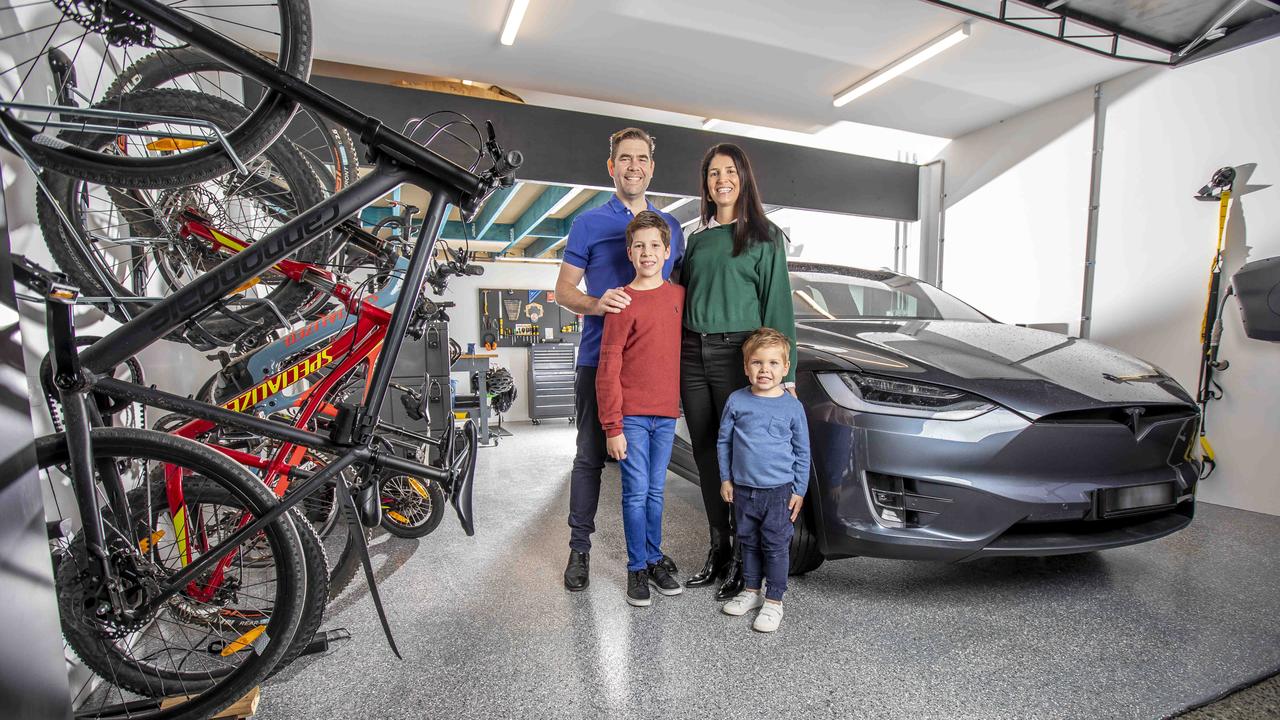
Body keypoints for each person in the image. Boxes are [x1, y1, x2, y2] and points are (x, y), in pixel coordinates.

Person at [556, 128, 685, 591]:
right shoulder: (588, 224)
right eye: (624, 159)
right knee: (590, 458)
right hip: (599, 360)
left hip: (651, 373)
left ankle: (648, 554)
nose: (634, 166)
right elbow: (563, 290)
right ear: (612, 167)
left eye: (642, 158)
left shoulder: (670, 228)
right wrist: (598, 304)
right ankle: (580, 549)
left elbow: (675, 300)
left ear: (652, 167)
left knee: (649, 481)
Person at [679, 143, 797, 600]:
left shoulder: (766, 236)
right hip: (693, 355)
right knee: (707, 455)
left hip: (737, 356)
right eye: (712, 173)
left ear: (743, 178)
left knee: (739, 458)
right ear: (706, 183)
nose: (721, 179)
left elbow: (778, 309)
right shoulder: (697, 238)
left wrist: (784, 377)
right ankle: (719, 549)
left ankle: (749, 561)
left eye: (729, 171)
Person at [596, 211, 685, 606]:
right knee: (635, 494)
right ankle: (636, 568)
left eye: (654, 245)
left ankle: (653, 558)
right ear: (629, 252)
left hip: (665, 416)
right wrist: (612, 427)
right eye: (639, 246)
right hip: (630, 417)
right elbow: (608, 368)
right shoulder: (621, 303)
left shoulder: (680, 298)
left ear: (667, 251)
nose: (647, 252)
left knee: (656, 493)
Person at [716, 328, 809, 632]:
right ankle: (752, 591)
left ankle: (774, 601)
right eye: (757, 363)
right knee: (748, 542)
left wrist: (800, 489)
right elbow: (724, 442)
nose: (764, 370)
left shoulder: (792, 406)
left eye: (772, 363)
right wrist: (726, 478)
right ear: (746, 367)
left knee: (775, 545)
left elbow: (802, 450)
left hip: (779, 492)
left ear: (785, 368)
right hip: (743, 489)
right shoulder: (737, 401)